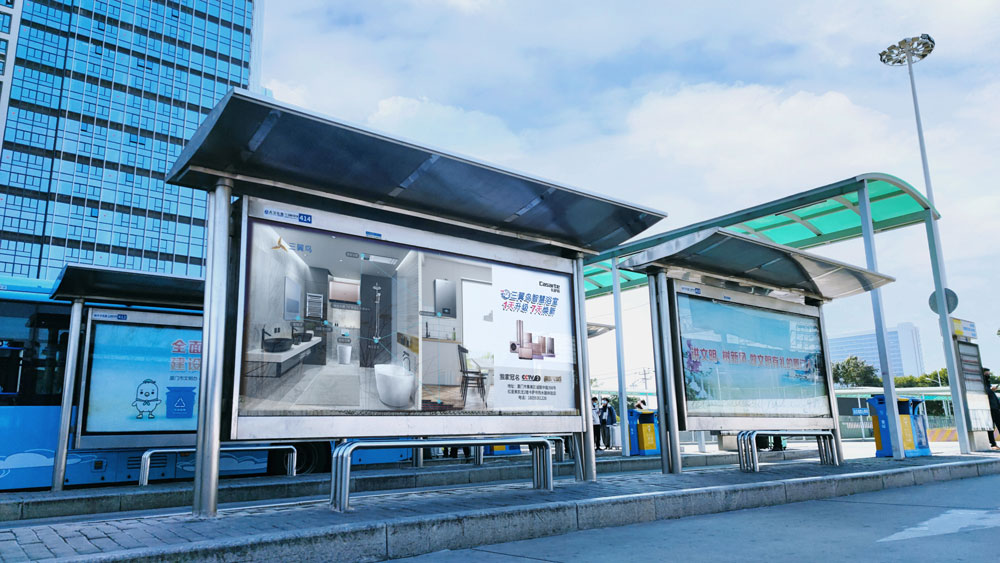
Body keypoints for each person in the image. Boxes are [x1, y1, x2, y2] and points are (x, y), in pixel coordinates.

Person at [983, 368, 1000, 451]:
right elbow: (984, 392)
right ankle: (992, 444)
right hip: (989, 409)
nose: (988, 375)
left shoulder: (988, 383)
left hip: (995, 408)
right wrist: (990, 390)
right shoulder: (982, 383)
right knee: (990, 428)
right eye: (987, 374)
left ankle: (993, 444)